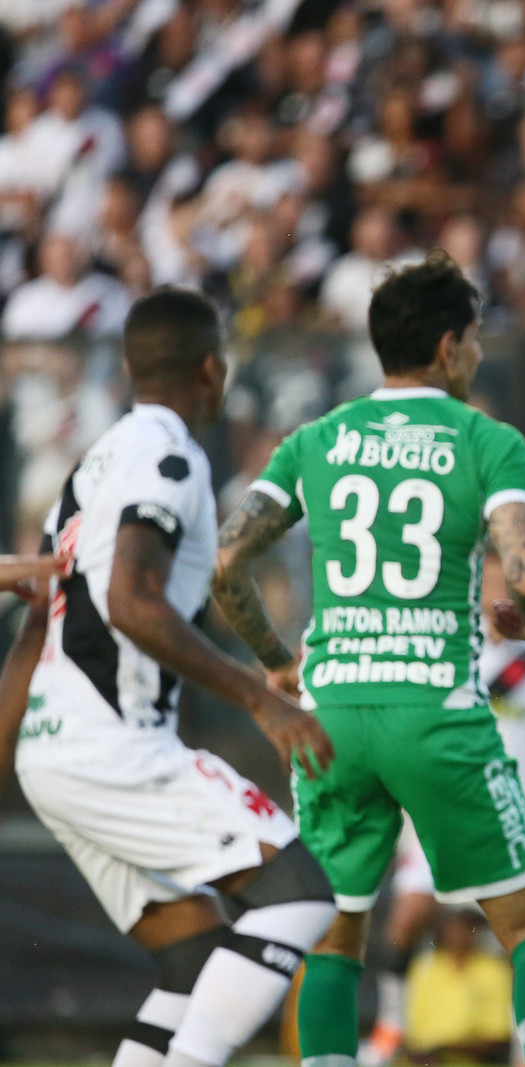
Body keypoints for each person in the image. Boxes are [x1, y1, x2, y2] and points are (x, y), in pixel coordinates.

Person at [209, 252, 525, 1067]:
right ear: (449, 347)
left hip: (329, 714)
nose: (477, 355)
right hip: (434, 711)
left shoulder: (316, 439)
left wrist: (276, 660)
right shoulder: (488, 440)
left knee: (333, 937)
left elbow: (225, 562)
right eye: (475, 339)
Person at [0, 288, 338, 1067]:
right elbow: (130, 600)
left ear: (127, 368)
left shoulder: (88, 468)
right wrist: (260, 698)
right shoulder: (172, 458)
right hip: (115, 746)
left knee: (197, 959)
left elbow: (35, 623)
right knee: (298, 896)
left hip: (51, 752)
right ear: (213, 370)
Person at [361, 549, 525, 1067]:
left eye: (505, 583)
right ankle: (393, 1027)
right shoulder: (448, 646)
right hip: (439, 809)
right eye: (486, 582)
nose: (495, 594)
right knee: (406, 918)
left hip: (515, 812)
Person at [402, 909, 514, 1065]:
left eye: (467, 927)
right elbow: (413, 1030)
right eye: (453, 927)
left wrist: (445, 1049)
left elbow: (498, 1037)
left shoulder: (493, 969)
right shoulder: (426, 965)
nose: (458, 933)